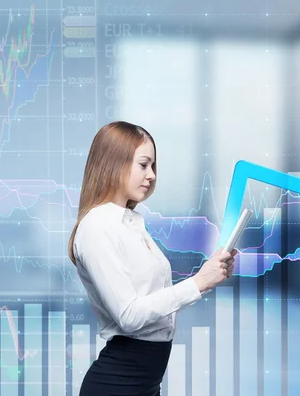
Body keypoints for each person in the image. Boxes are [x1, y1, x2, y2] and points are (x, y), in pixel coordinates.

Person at [67, 121, 236, 396]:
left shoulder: (132, 223)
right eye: (144, 165)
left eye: (153, 166)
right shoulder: (97, 227)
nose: (152, 175)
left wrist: (208, 276)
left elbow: (154, 301)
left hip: (146, 384)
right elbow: (129, 316)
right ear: (114, 164)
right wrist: (197, 283)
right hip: (117, 385)